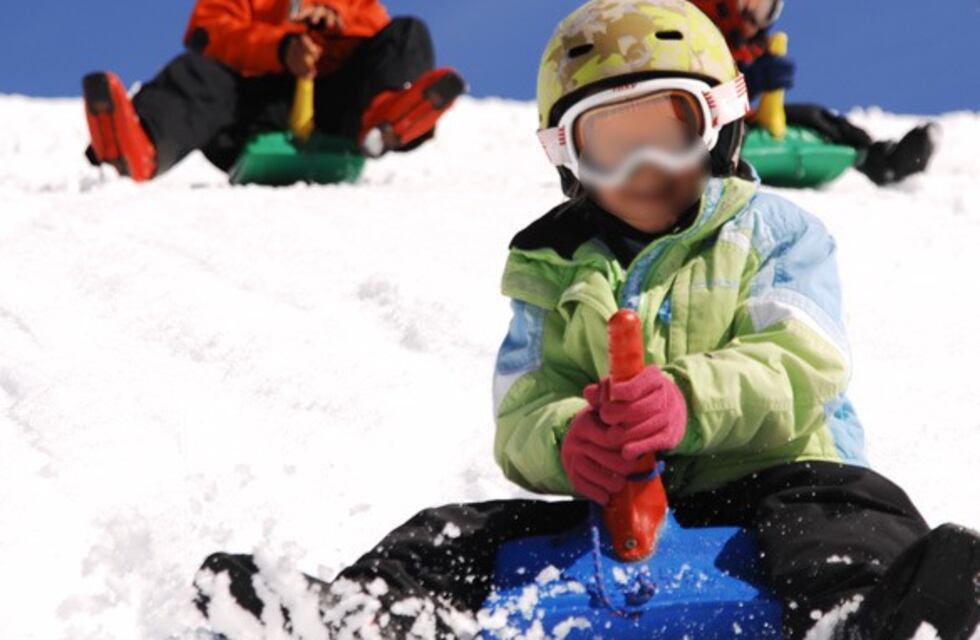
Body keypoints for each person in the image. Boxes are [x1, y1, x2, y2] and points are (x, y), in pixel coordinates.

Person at [193, 2, 979, 638]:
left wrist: (684, 400)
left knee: (853, 510)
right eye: (611, 143)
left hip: (772, 480)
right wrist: (575, 442)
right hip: (621, 509)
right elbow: (525, 409)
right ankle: (362, 620)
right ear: (569, 159)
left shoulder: (774, 234)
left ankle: (860, 618)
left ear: (719, 125)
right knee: (447, 535)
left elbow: (802, 362)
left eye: (668, 132)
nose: (644, 168)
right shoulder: (553, 267)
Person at [82, 0, 464, 182]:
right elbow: (208, 32)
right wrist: (281, 48)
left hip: (338, 110)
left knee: (408, 32)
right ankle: (138, 147)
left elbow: (377, 40)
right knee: (195, 73)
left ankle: (390, 119)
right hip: (249, 110)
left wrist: (334, 31)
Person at [690, 0, 937, 186]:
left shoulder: (751, 47)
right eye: (752, 4)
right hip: (692, 122)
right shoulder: (691, 21)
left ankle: (881, 160)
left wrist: (757, 81)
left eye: (766, 9)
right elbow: (688, 86)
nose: (755, 18)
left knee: (814, 117)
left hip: (737, 121)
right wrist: (749, 83)